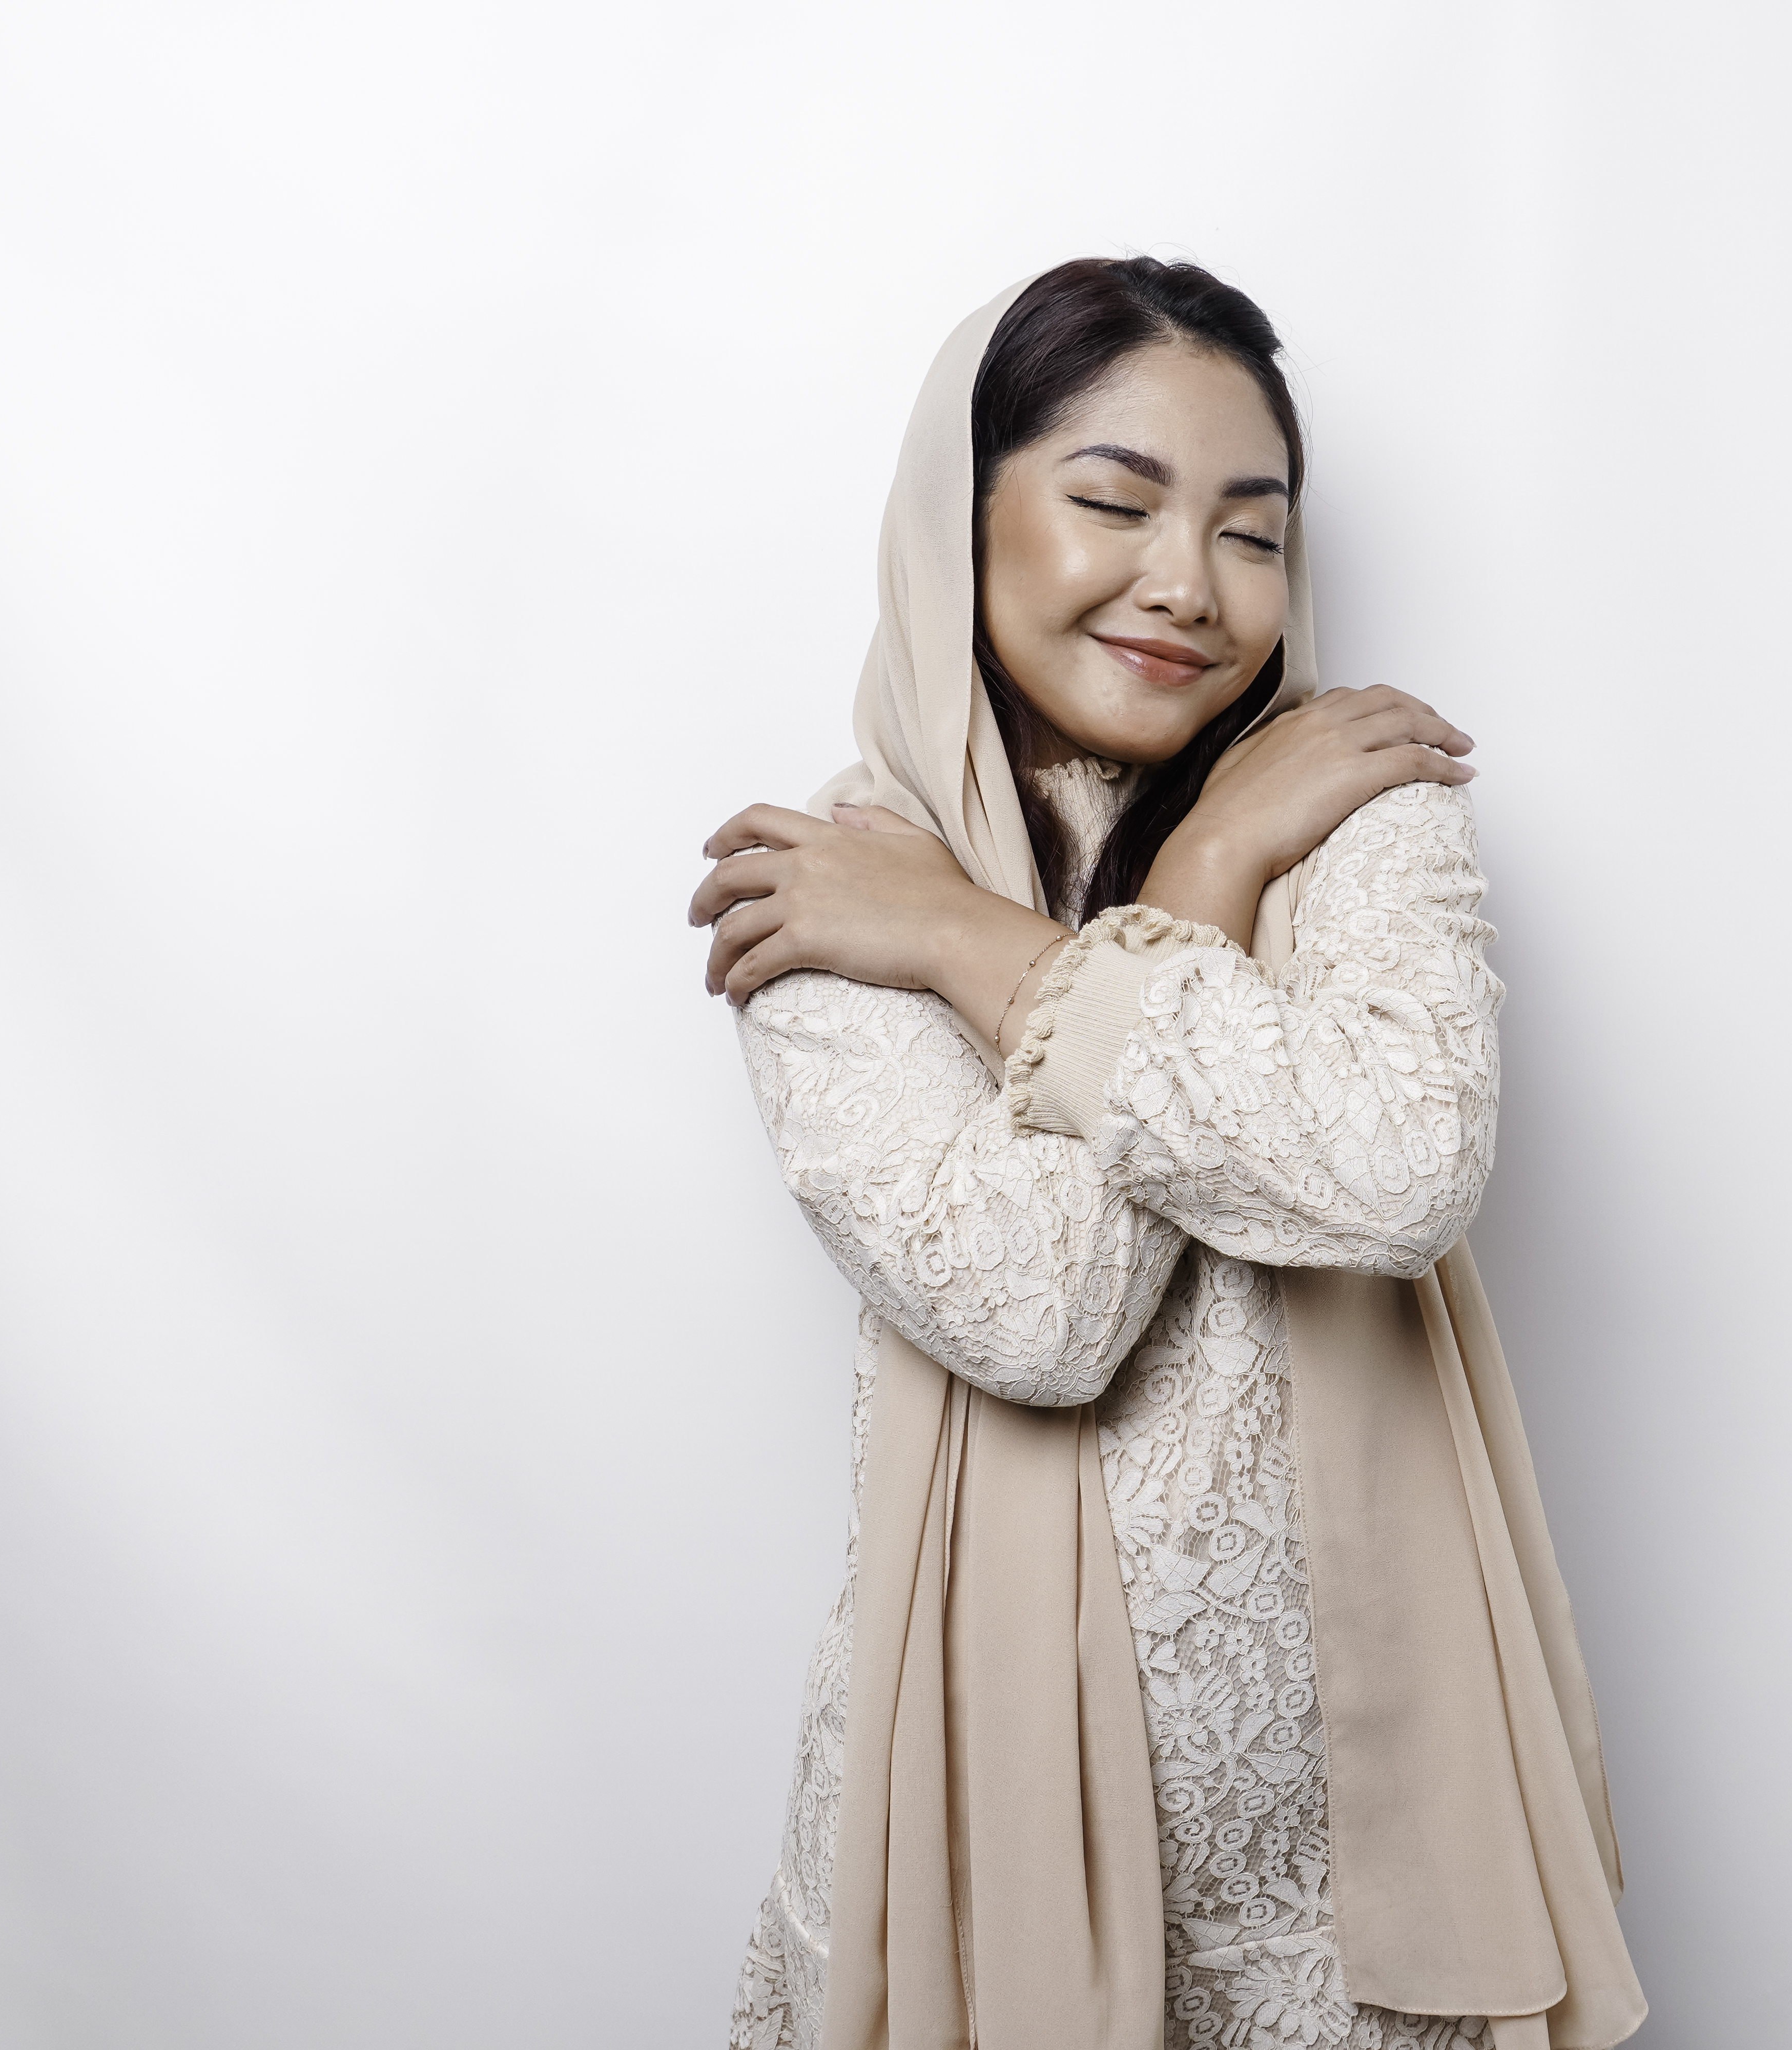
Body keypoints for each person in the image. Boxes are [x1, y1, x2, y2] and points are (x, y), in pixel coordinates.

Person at [690, 259, 1641, 2050]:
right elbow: (1040, 1315)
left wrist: (999, 947)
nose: (1188, 586)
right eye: (1114, 503)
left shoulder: (1352, 802)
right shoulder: (833, 885)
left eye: (1251, 532)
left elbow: (1396, 1169)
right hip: (973, 1825)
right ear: (955, 520)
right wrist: (1196, 894)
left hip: (1353, 1872)